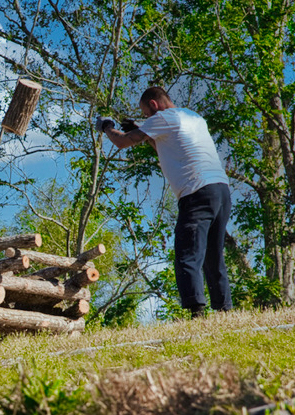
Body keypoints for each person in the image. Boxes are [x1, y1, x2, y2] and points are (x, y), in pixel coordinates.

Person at [97, 86, 232, 317]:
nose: (148, 118)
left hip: (196, 191)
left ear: (153, 105)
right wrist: (141, 129)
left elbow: (123, 142)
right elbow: (166, 143)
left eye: (147, 114)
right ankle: (223, 309)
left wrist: (107, 127)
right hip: (220, 190)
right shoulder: (193, 117)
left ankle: (196, 312)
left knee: (187, 253)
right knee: (213, 254)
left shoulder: (163, 117)